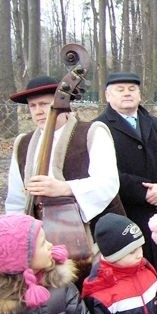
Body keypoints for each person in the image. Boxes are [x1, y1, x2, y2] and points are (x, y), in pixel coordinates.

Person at [5, 75, 121, 233]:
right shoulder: (23, 143)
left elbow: (107, 183)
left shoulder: (92, 132)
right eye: (32, 106)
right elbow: (16, 199)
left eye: (44, 104)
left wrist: (65, 188)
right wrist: (20, 232)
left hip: (93, 231)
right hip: (40, 234)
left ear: (63, 103)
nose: (38, 111)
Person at [94, 72, 157, 287]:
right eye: (120, 89)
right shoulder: (97, 129)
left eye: (132, 89)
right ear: (107, 95)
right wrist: (145, 192)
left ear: (140, 94)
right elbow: (103, 173)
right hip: (126, 213)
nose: (127, 94)